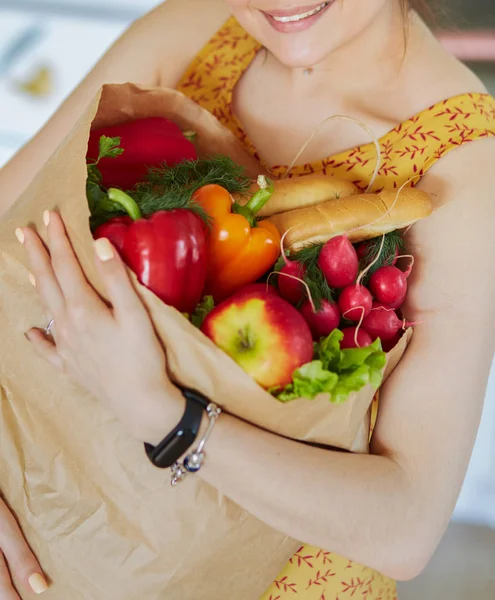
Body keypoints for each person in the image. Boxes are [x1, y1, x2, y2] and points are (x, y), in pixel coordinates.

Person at [1, 0, 494, 598]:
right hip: (70, 540)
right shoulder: (191, 31)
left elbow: (406, 528)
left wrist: (165, 418)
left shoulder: (462, 165)